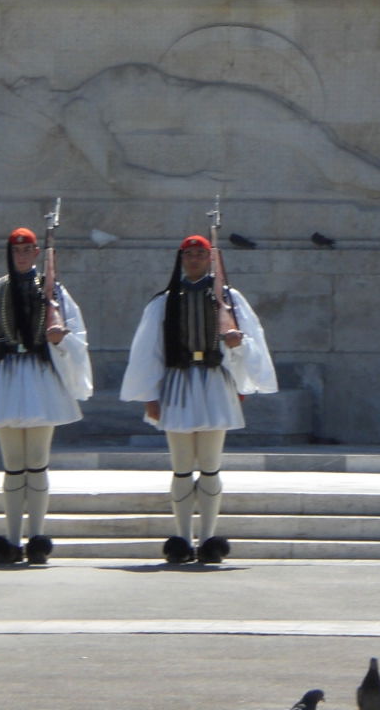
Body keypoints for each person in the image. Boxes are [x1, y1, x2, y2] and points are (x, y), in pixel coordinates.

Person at [120, 233, 276, 564]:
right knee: (180, 466)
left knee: (209, 465)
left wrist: (239, 358)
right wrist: (149, 394)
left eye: (200, 255)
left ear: (210, 259)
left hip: (214, 383)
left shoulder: (229, 300)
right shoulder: (164, 301)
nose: (194, 260)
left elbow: (251, 341)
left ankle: (208, 538)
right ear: (181, 259)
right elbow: (149, 351)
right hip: (178, 381)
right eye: (189, 255)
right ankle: (180, 536)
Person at [0, 227, 92, 564]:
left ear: (36, 253)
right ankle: (13, 537)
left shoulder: (53, 290)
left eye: (27, 249)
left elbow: (76, 336)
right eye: (16, 250)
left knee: (37, 462)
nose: (21, 255)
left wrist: (61, 340)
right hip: (5, 376)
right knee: (13, 466)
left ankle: (37, 537)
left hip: (40, 376)